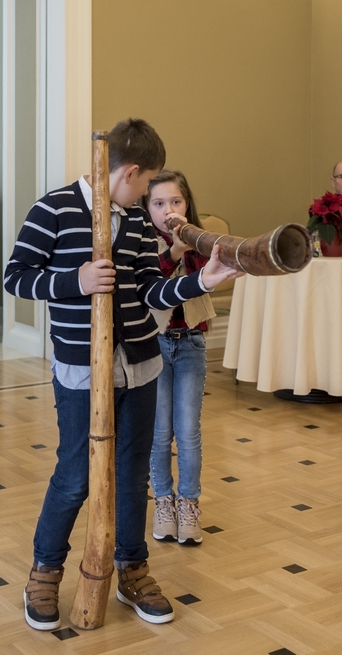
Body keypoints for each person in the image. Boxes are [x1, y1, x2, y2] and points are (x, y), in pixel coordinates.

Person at [3, 119, 241, 631]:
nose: (150, 195)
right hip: (81, 370)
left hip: (141, 365)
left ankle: (132, 569)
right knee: (75, 476)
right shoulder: (53, 208)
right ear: (131, 172)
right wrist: (77, 280)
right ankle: (45, 571)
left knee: (133, 476)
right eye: (148, 181)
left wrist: (203, 280)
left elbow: (151, 290)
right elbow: (15, 277)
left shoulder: (133, 220)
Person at [141, 170, 215, 547]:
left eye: (175, 201)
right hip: (154, 344)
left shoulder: (198, 239)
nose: (168, 209)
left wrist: (189, 242)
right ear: (147, 207)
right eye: (158, 203)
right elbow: (151, 283)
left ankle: (188, 504)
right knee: (159, 433)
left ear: (187, 205)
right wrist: (172, 250)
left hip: (190, 343)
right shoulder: (141, 243)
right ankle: (163, 503)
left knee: (188, 432)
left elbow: (207, 277)